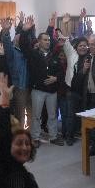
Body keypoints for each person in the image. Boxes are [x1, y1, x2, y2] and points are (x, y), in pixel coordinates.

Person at [19, 14, 63, 147]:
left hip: (52, 91)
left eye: (49, 40)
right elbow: (23, 44)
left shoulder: (54, 55)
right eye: (45, 40)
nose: (48, 42)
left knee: (52, 115)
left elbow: (61, 71)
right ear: (39, 42)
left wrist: (56, 78)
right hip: (38, 90)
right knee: (36, 116)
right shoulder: (33, 54)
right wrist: (24, 30)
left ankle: (53, 136)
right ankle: (35, 137)